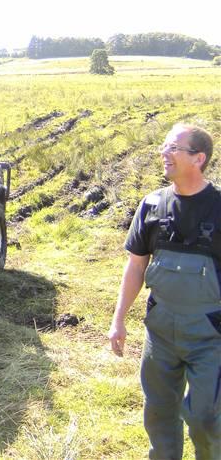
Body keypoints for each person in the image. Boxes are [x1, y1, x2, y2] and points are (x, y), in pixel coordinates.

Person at [108, 123, 221, 460]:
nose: (163, 154)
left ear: (198, 158)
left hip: (210, 335)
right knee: (158, 413)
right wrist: (119, 320)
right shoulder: (152, 205)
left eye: (173, 148)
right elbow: (136, 267)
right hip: (160, 333)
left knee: (204, 418)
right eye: (164, 147)